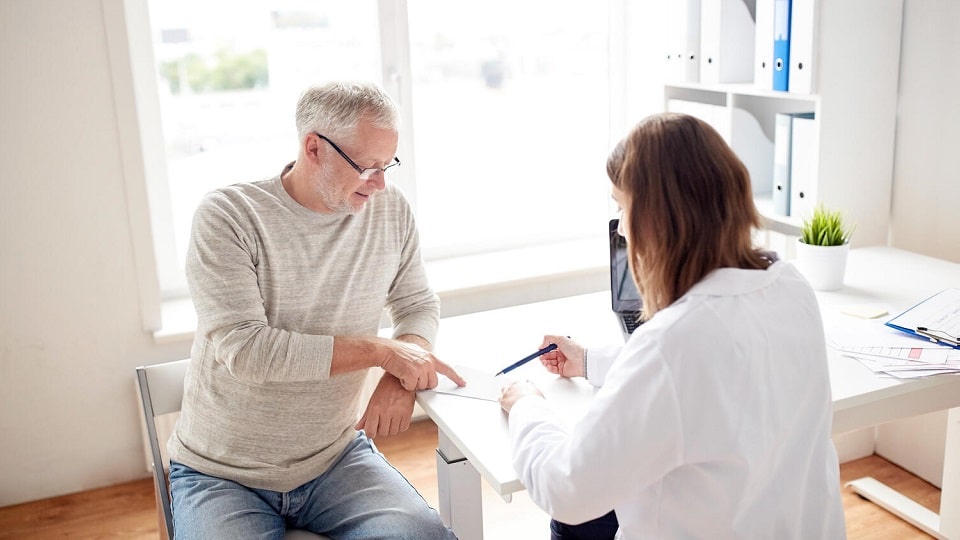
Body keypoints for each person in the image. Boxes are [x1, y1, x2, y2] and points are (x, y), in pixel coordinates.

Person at [499, 112, 846, 539]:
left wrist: (527, 407)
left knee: (577, 520)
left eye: (622, 208)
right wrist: (588, 360)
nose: (621, 230)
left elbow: (566, 489)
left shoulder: (673, 344)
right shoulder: (792, 287)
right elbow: (710, 371)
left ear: (658, 221)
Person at [168, 81, 464, 539]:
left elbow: (416, 303)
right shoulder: (229, 216)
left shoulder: (390, 210)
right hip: (222, 474)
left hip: (336, 458)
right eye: (367, 167)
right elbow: (249, 352)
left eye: (388, 165)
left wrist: (401, 370)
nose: (381, 184)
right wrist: (384, 353)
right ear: (314, 148)